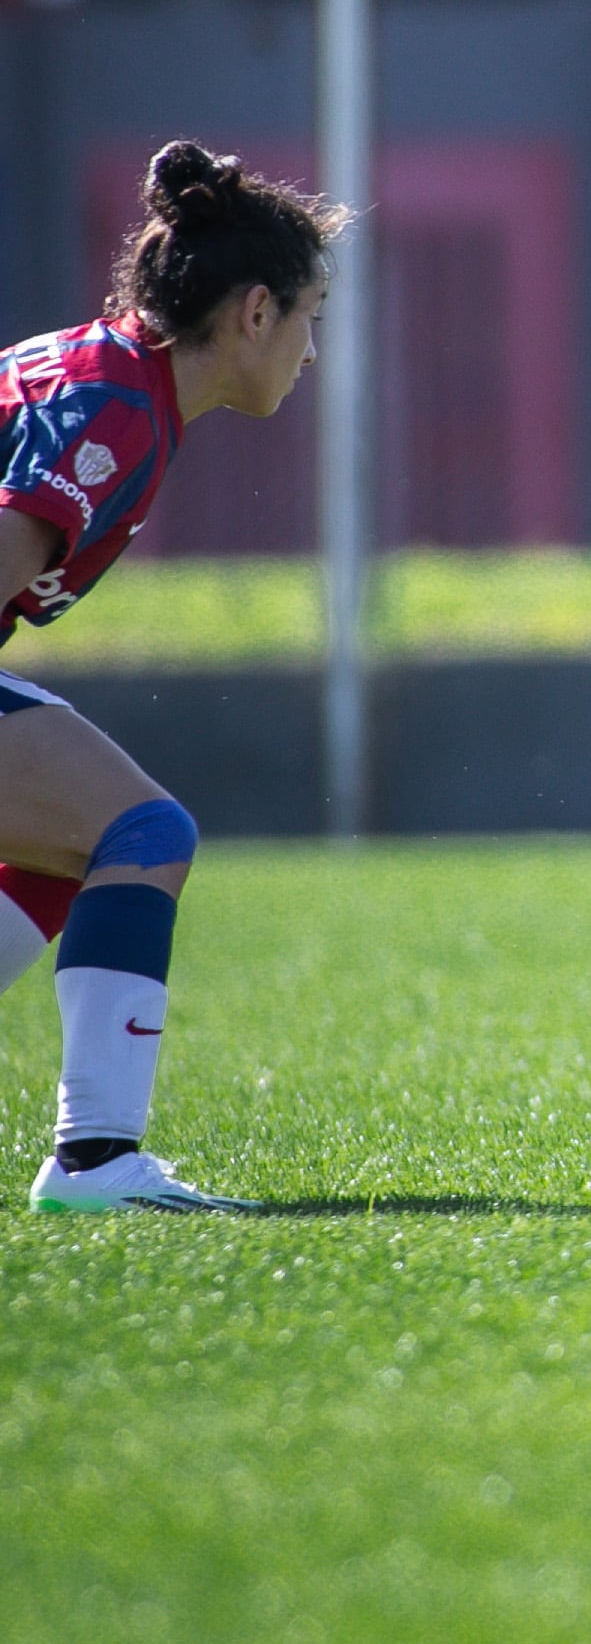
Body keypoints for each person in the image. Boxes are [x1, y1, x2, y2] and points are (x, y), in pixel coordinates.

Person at [1, 143, 343, 1211]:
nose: (310, 348)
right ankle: (98, 1162)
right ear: (254, 312)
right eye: (309, 316)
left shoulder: (109, 373)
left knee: (75, 845)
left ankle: (98, 1161)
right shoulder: (118, 410)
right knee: (142, 834)